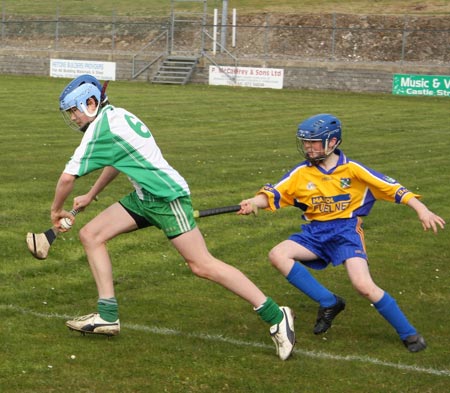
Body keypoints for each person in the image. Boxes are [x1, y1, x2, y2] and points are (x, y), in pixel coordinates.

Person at [50, 74, 295, 360]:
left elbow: (67, 179)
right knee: (91, 234)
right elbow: (117, 161)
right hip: (144, 198)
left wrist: (56, 211)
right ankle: (107, 316)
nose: (74, 118)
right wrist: (92, 194)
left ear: (90, 103)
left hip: (167, 198)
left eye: (74, 111)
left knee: (202, 265)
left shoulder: (99, 129)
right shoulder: (116, 115)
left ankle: (276, 315)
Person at [238, 113, 445, 352]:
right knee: (278, 254)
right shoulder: (300, 173)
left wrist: (422, 209)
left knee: (363, 285)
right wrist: (254, 202)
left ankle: (409, 333)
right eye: (305, 142)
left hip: (346, 232)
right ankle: (329, 301)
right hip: (315, 233)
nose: (308, 147)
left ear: (333, 142)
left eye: (314, 142)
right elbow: (273, 194)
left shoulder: (353, 170)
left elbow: (395, 189)